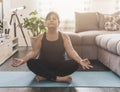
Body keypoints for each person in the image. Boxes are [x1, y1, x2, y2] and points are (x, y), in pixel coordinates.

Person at [12, 11, 93, 83]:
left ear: (59, 23)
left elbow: (71, 51)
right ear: (45, 23)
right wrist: (23, 60)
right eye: (49, 19)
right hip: (44, 65)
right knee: (30, 62)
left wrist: (80, 60)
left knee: (75, 63)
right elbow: (34, 52)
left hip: (60, 66)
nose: (51, 20)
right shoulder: (40, 37)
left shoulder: (64, 36)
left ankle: (45, 76)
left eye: (54, 19)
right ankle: (58, 78)